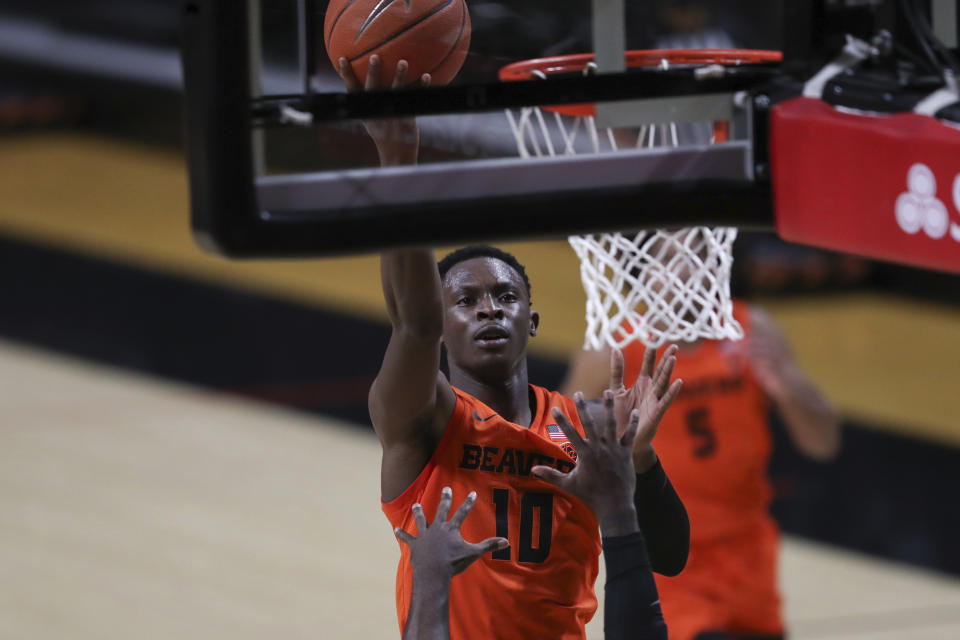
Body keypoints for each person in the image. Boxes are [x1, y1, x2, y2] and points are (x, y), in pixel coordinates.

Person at [339, 54, 690, 640]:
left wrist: (642, 463)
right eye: (465, 300)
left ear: (531, 320)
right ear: (444, 324)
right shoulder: (425, 425)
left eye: (506, 296)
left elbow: (671, 557)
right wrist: (397, 156)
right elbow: (413, 327)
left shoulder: (581, 430)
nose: (488, 307)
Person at [563, 299, 842, 640]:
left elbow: (823, 443)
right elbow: (559, 441)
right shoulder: (615, 347)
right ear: (644, 270)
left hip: (748, 549)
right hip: (673, 554)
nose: (683, 269)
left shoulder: (751, 330)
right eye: (669, 256)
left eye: (695, 250)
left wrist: (785, 383)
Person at [397, 392, 669, 640]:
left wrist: (640, 457)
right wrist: (617, 515)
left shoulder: (573, 422)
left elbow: (670, 557)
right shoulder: (435, 415)